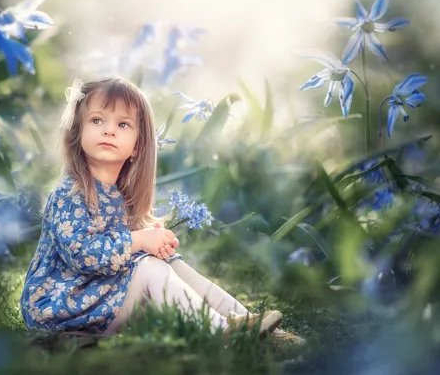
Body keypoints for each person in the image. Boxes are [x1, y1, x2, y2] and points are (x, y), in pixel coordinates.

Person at [20, 77, 304, 344]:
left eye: (123, 125)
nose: (108, 129)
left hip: (97, 299)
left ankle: (248, 323)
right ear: (77, 132)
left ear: (136, 148)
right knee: (148, 267)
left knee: (170, 263)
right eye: (97, 120)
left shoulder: (118, 196)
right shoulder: (70, 193)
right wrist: (139, 242)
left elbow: (122, 254)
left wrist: (150, 243)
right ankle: (222, 332)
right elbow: (83, 256)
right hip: (59, 309)